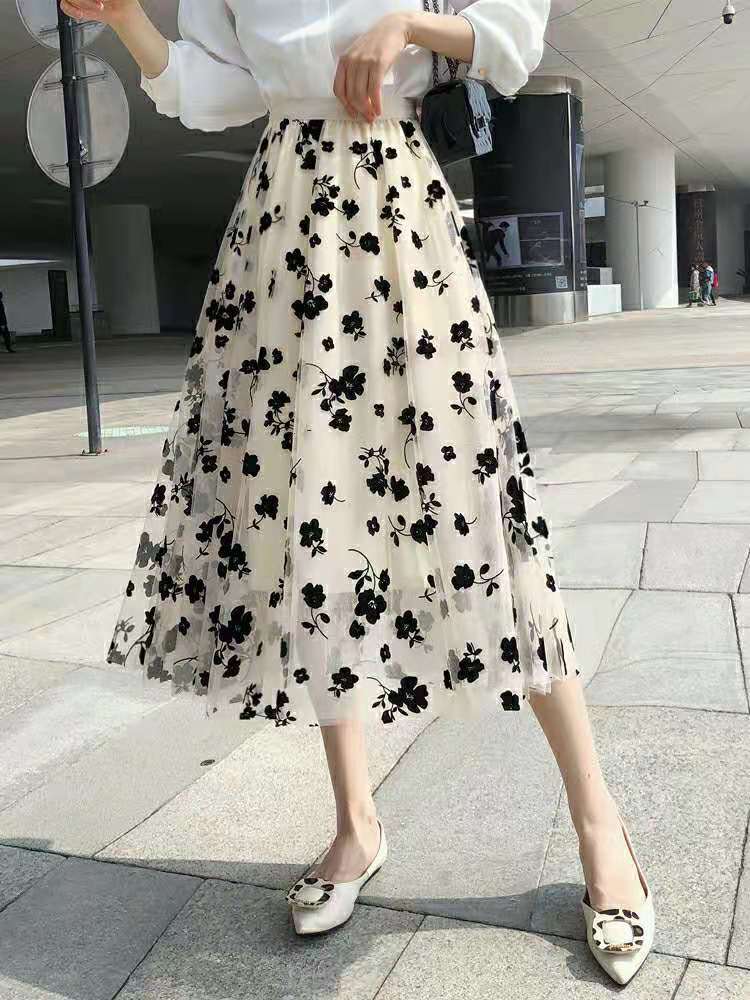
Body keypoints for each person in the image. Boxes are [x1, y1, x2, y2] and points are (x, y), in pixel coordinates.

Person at [69, 0, 653, 984]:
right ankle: (355, 823)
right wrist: (126, 17)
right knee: (311, 517)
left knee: (483, 513)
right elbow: (219, 89)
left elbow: (514, 34)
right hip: (283, 229)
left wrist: (407, 27)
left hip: (397, 213)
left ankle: (602, 828)